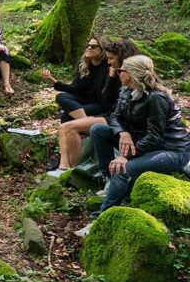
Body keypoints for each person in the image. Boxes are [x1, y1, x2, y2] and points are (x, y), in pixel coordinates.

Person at [75, 56, 190, 237]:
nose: (118, 73)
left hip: (172, 150)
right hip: (140, 140)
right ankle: (109, 181)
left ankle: (100, 221)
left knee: (122, 168)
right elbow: (114, 117)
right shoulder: (126, 91)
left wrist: (124, 156)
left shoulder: (156, 97)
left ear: (130, 74)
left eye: (122, 71)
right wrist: (123, 133)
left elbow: (155, 137)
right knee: (98, 129)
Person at [47, 38, 140, 177]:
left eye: (111, 58)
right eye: (87, 45)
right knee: (65, 120)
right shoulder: (114, 73)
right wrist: (112, 77)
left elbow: (108, 103)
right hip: (113, 116)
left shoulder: (132, 79)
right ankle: (64, 168)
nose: (109, 62)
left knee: (68, 127)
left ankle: (70, 171)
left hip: (114, 118)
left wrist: (123, 131)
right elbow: (108, 99)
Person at [40, 36, 110, 121]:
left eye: (93, 46)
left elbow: (109, 94)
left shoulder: (108, 67)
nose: (88, 48)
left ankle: (85, 125)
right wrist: (52, 80)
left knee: (66, 115)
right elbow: (74, 88)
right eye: (87, 45)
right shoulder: (83, 65)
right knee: (61, 97)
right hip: (83, 99)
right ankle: (86, 122)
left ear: (102, 49)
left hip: (99, 103)